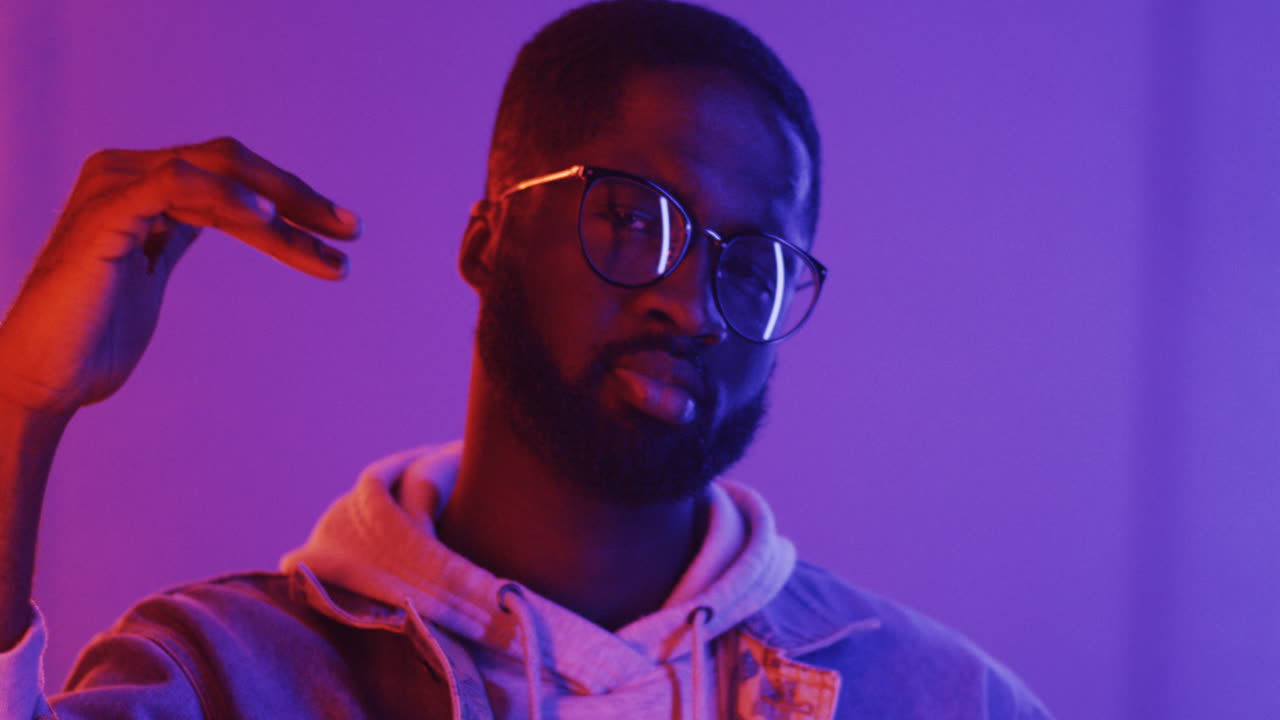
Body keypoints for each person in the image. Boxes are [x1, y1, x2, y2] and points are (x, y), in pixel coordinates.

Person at [0, 1, 1052, 718]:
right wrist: (18, 409)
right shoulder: (221, 677)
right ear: (485, 239)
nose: (689, 303)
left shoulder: (937, 697)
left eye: (751, 263)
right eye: (635, 219)